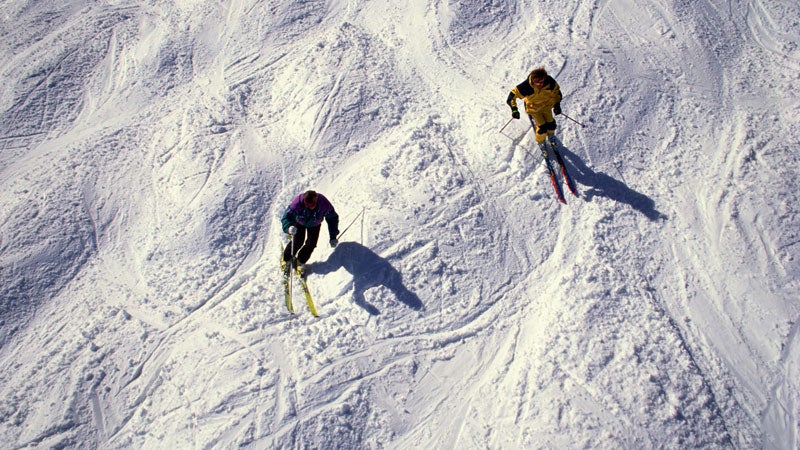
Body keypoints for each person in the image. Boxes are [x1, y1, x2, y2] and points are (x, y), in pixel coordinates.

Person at [281, 190, 339, 276]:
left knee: (311, 244)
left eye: (311, 205)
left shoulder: (323, 203)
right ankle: (286, 259)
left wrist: (333, 236)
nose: (309, 207)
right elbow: (286, 217)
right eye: (306, 205)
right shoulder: (298, 203)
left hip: (315, 224)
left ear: (316, 200)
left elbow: (332, 219)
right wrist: (289, 227)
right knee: (298, 241)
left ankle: (300, 261)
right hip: (300, 222)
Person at [506, 67, 563, 147]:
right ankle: (541, 141)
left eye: (541, 82)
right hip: (533, 108)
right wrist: (514, 110)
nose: (539, 84)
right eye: (537, 82)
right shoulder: (526, 86)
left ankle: (551, 136)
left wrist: (557, 105)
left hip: (546, 106)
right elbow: (512, 97)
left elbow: (557, 93)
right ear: (532, 80)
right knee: (542, 128)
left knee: (552, 125)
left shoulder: (550, 83)